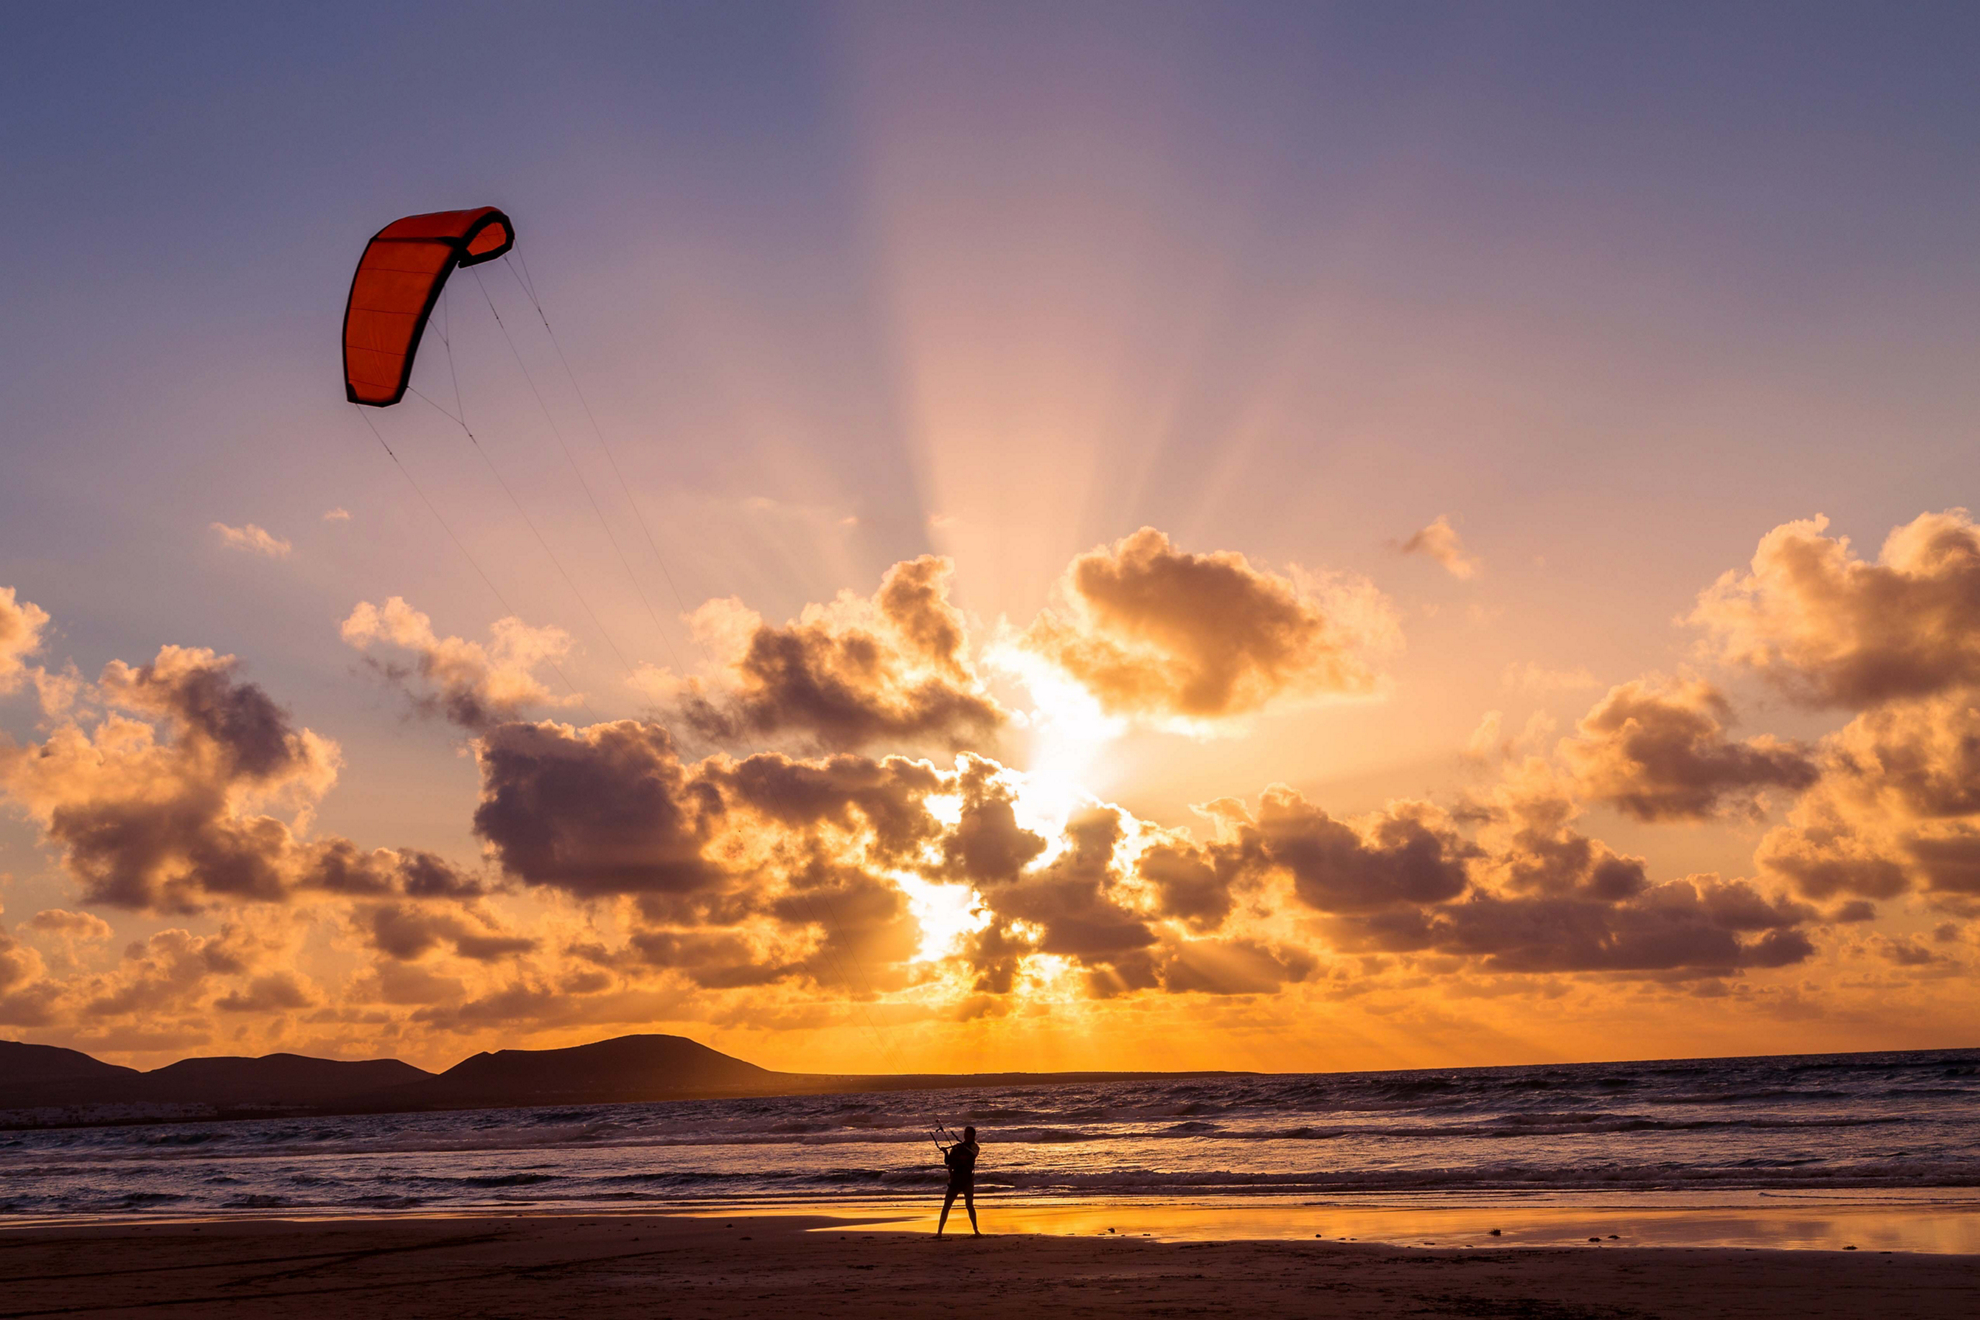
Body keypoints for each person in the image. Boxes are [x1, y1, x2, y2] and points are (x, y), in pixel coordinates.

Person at [935, 1125, 980, 1237]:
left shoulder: (974, 1147)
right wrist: (946, 1152)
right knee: (947, 1205)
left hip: (967, 1180)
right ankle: (939, 1232)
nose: (965, 1134)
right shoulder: (957, 1147)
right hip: (955, 1179)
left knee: (969, 1205)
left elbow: (972, 1155)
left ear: (973, 1135)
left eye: (968, 1132)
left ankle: (976, 1231)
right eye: (965, 1132)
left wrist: (959, 1150)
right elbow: (948, 1162)